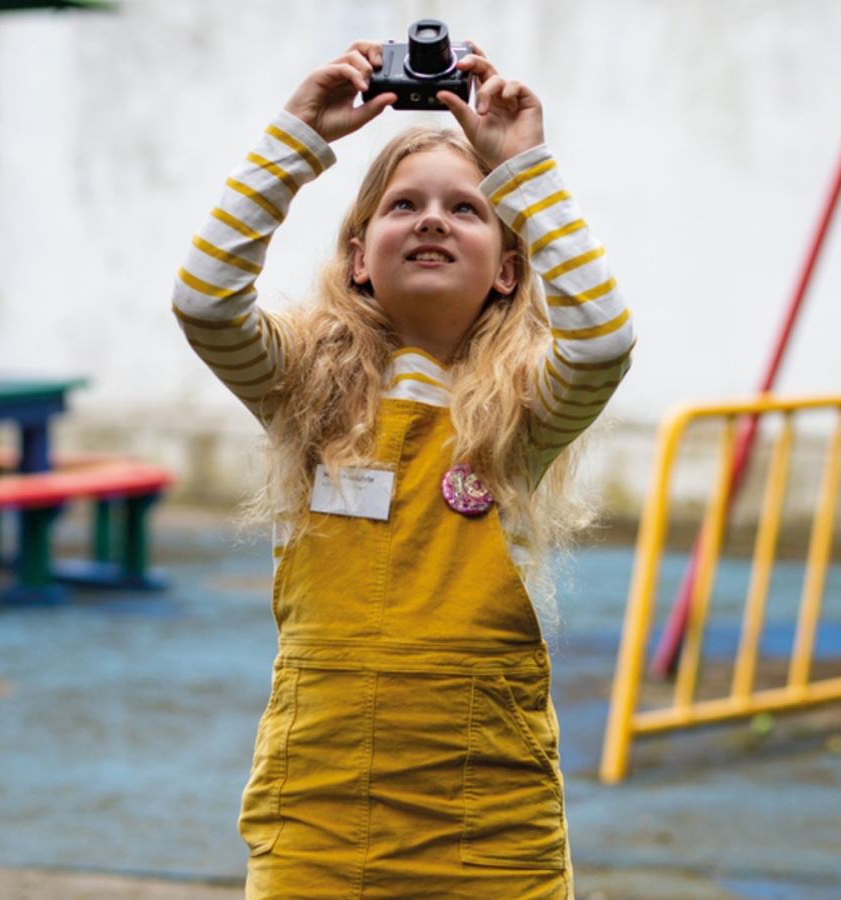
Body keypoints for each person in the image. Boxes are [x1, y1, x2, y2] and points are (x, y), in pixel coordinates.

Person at [171, 38, 632, 899]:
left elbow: (604, 339)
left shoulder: (523, 413)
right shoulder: (303, 387)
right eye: (403, 205)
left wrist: (524, 170)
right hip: (318, 818)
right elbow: (203, 298)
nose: (431, 219)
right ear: (357, 258)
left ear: (508, 270)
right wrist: (297, 139)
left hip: (490, 829)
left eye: (466, 209)